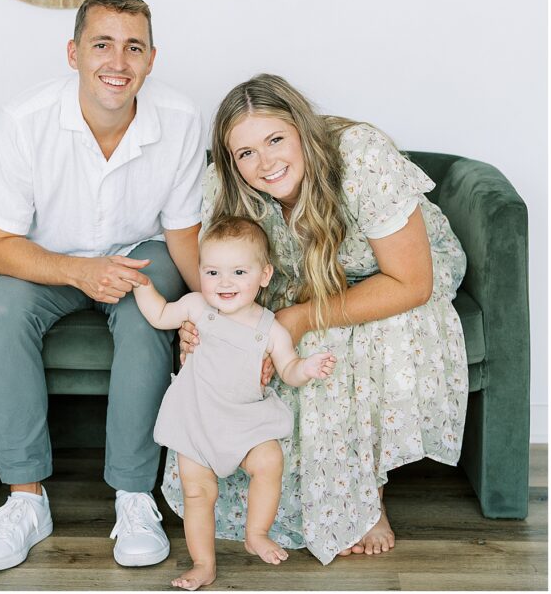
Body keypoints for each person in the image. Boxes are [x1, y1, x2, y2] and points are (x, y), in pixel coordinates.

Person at [168, 74, 468, 565]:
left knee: (342, 338)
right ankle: (295, 501)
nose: (264, 164)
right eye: (245, 154)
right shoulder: (226, 186)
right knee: (252, 347)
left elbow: (413, 282)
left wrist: (303, 317)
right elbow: (226, 277)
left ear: (302, 130)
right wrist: (202, 322)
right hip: (303, 281)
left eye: (275, 140)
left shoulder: (361, 157)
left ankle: (365, 499)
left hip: (397, 274)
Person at [0, 0, 205, 572]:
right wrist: (79, 271)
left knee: (149, 314)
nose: (117, 63)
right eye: (102, 45)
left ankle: (133, 495)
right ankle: (26, 499)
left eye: (133, 48)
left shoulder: (181, 119)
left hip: (138, 257)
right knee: (1, 314)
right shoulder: (23, 121)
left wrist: (208, 310)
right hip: (48, 257)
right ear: (73, 53)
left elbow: (182, 236)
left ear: (152, 58)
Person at [132, 215, 336, 591]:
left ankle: (256, 533)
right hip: (197, 419)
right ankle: (203, 563)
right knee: (198, 493)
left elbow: (287, 368)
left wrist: (306, 367)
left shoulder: (269, 326)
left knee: (269, 459)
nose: (224, 283)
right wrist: (143, 286)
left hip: (245, 421)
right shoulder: (195, 307)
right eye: (213, 272)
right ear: (200, 272)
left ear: (264, 275)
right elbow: (160, 315)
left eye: (239, 271)